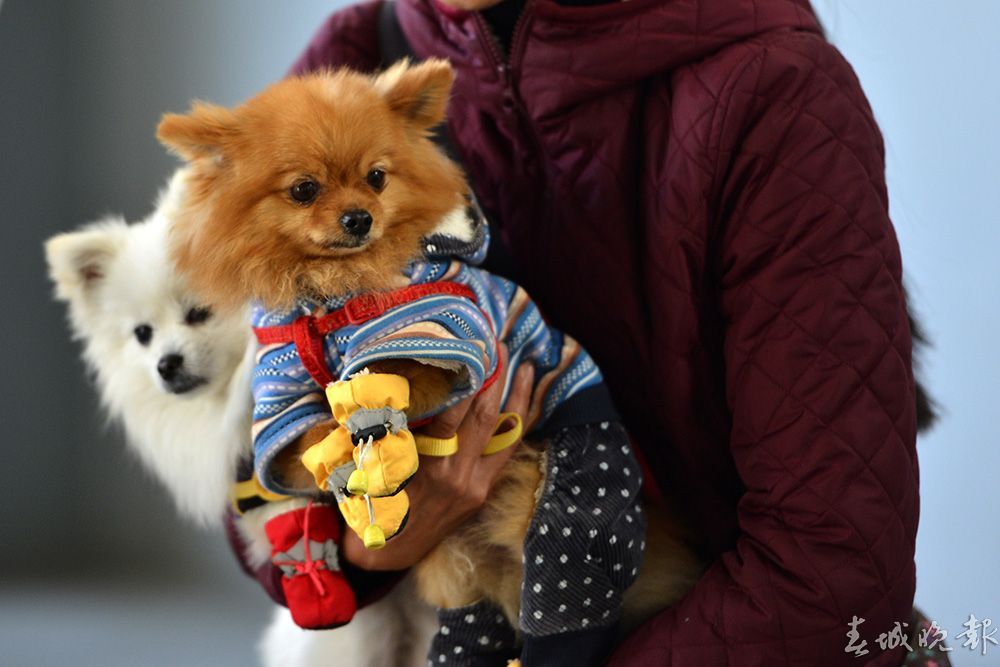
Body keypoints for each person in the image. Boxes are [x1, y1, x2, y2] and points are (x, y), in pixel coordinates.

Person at [228, 0, 947, 664]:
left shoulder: (773, 93)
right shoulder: (362, 62)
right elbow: (251, 475)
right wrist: (371, 548)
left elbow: (835, 580)